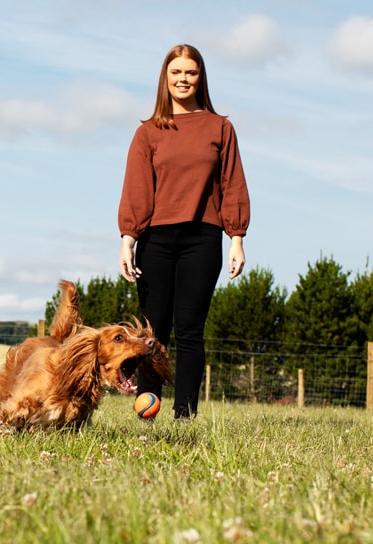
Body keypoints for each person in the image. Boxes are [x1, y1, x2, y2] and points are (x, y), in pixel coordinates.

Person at [118, 43, 250, 420]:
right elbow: (137, 190)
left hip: (202, 239)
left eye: (190, 72)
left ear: (200, 77)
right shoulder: (148, 132)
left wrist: (236, 238)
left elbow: (232, 184)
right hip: (155, 241)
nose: (183, 79)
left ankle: (184, 414)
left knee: (190, 329)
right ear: (166, 78)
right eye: (176, 72)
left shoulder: (220, 128)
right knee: (152, 332)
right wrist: (128, 240)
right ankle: (147, 409)